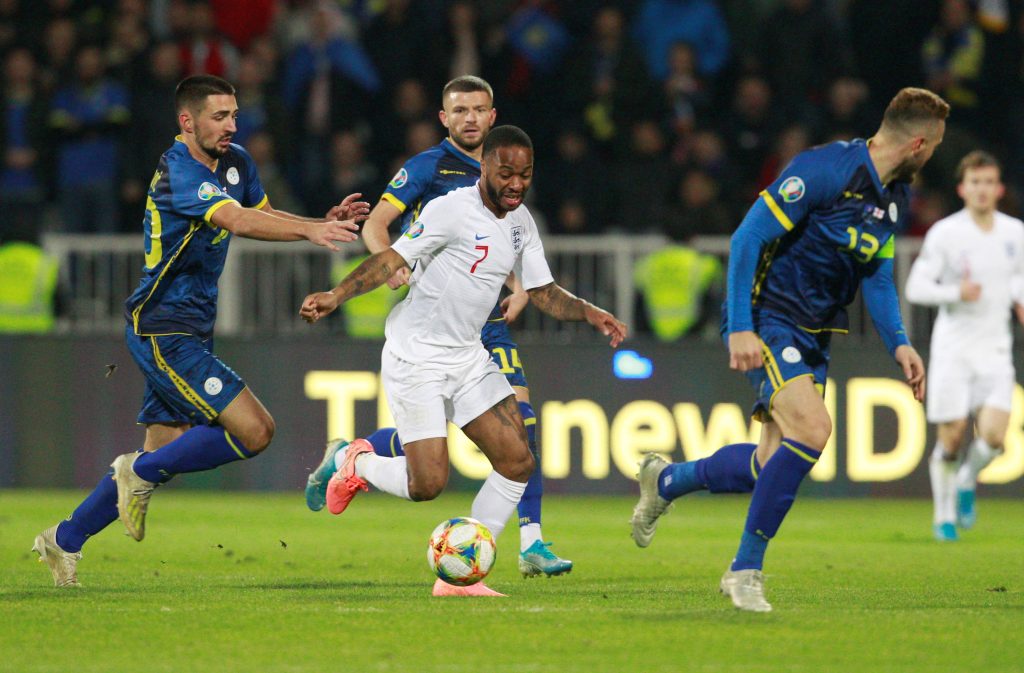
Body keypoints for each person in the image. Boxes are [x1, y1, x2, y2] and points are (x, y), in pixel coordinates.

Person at [32, 75, 367, 588]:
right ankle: (136, 474)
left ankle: (64, 538)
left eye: (234, 115)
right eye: (219, 117)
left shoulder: (235, 162)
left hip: (191, 329)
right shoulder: (178, 172)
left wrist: (316, 220)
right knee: (255, 431)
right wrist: (310, 231)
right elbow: (234, 220)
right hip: (162, 329)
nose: (232, 125)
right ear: (186, 122)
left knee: (160, 453)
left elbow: (261, 214)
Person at [630, 87, 949, 612]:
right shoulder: (824, 170)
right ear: (917, 143)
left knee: (769, 461)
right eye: (933, 147)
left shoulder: (894, 198)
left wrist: (900, 344)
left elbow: (877, 273)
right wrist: (739, 327)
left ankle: (665, 481)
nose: (932, 156)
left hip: (816, 332)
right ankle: (745, 570)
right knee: (814, 429)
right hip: (769, 318)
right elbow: (746, 239)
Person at [300, 125, 627, 596]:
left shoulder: (520, 222)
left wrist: (590, 312)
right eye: (507, 173)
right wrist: (337, 294)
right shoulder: (450, 209)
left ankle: (462, 577)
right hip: (417, 357)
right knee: (427, 483)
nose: (516, 184)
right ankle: (356, 462)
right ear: (486, 167)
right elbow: (392, 259)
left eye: (526, 174)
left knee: (517, 461)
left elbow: (542, 291)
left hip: (468, 356)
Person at [905, 150, 1024, 541]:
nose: (982, 190)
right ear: (962, 188)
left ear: (999, 188)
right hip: (953, 349)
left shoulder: (1015, 233)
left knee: (992, 439)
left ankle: (967, 480)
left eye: (989, 182)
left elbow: (1019, 278)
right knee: (952, 436)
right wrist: (956, 291)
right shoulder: (946, 233)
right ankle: (943, 517)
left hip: (995, 351)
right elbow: (915, 287)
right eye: (975, 183)